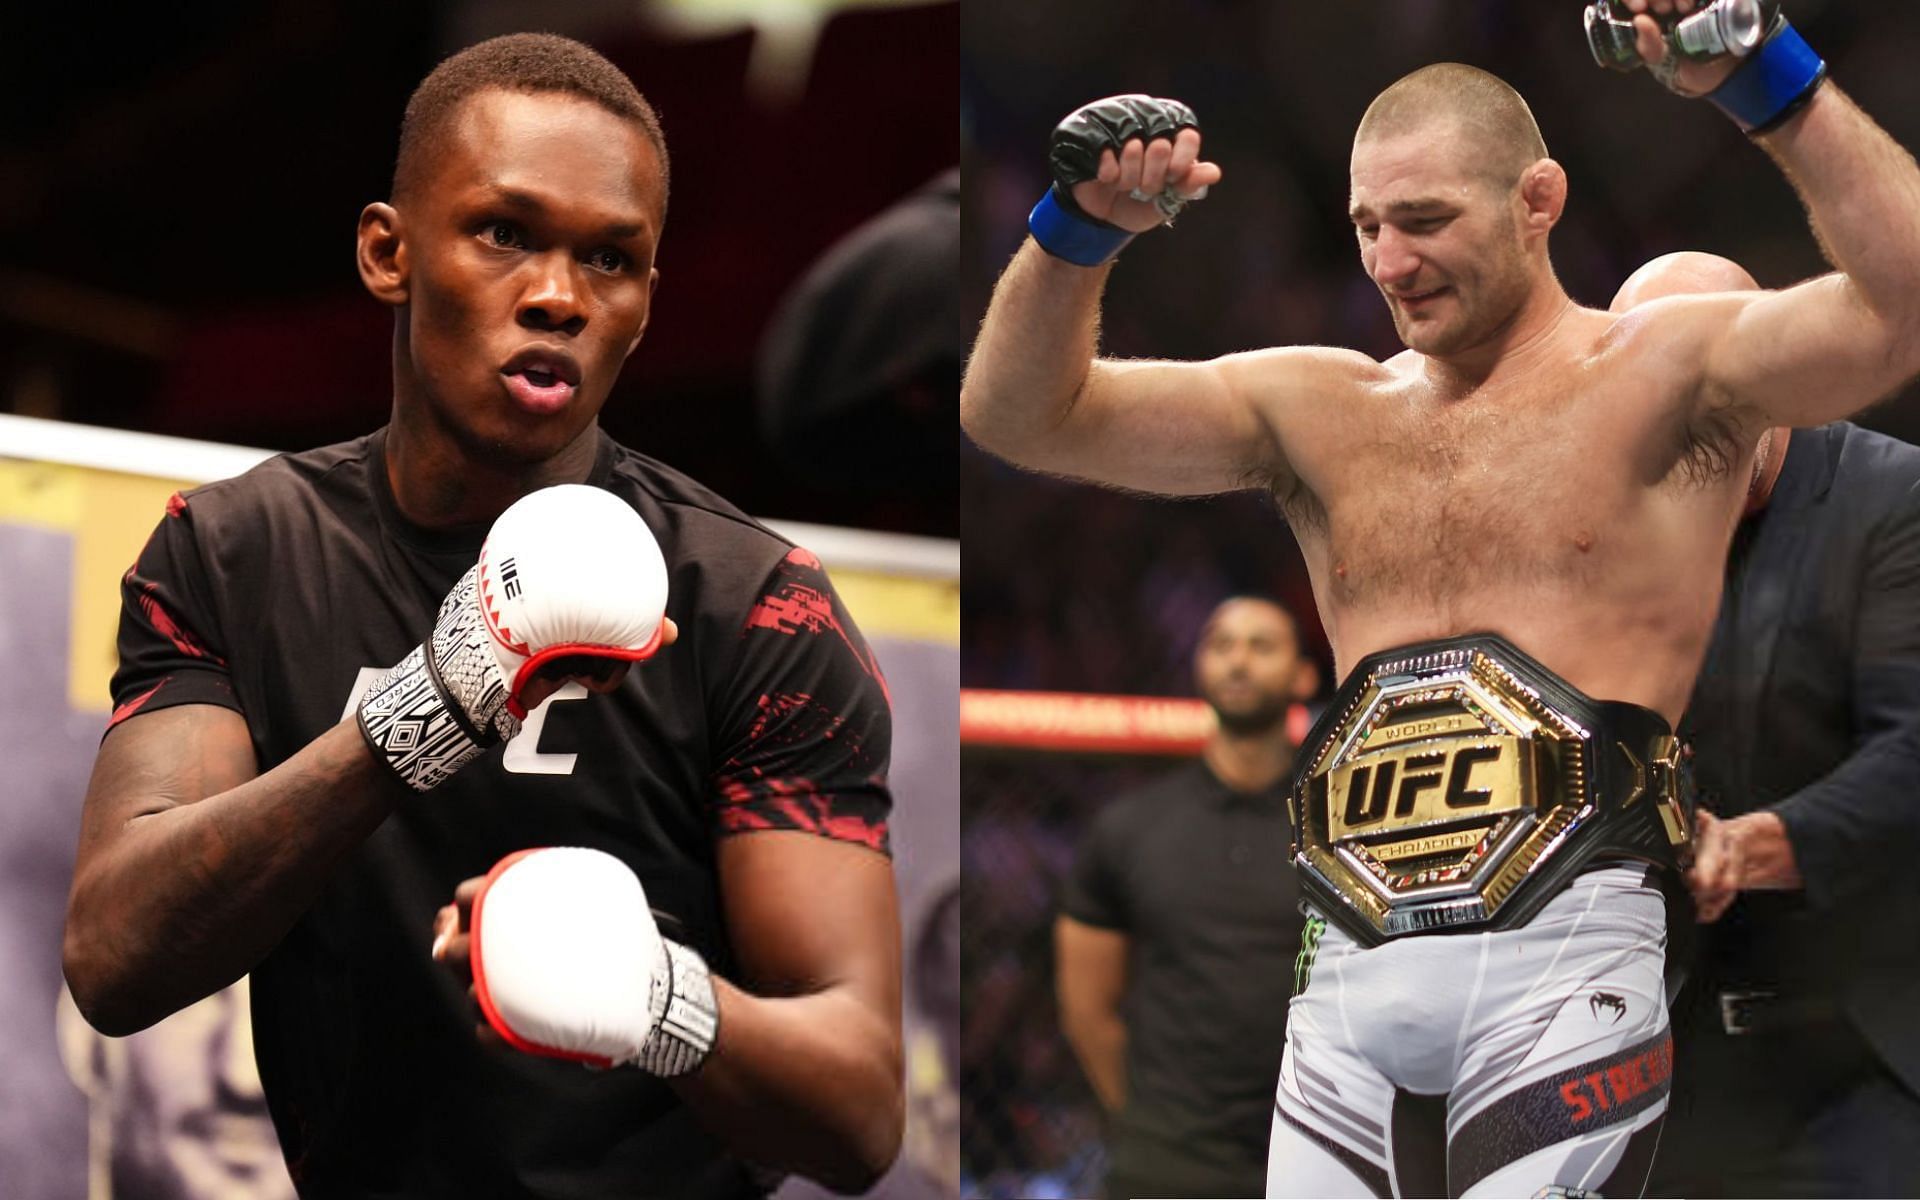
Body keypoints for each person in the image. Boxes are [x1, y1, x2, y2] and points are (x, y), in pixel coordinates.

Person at [960, 1, 1920, 1193]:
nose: (1388, 263)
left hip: (1569, 955)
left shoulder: (1667, 372)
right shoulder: (1321, 410)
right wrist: (1075, 235)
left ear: (1539, 202)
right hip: (1346, 977)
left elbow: (1901, 302)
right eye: (1365, 225)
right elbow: (1019, 415)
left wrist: (1766, 81)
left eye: (1424, 221)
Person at [62, 33, 902, 1198]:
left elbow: (862, 1113)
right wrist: (432, 705)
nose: (557, 296)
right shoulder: (234, 552)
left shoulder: (754, 604)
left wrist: (661, 1002)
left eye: (610, 259)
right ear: (387, 253)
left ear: (647, 305)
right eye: (505, 233)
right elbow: (113, 959)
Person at [1609, 251, 1920, 1197]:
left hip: (1869, 1049)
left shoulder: (1893, 497)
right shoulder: (1604, 530)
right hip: (1669, 1053)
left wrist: (1752, 847)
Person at [1055, 596, 1318, 1200]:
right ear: (1199, 667)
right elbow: (1087, 1012)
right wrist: (1153, 1127)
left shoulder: (1336, 832)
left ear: (1304, 674)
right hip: (1163, 1166)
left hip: (1311, 1159)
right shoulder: (1130, 827)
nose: (1239, 660)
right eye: (1221, 644)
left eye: (1261, 645)